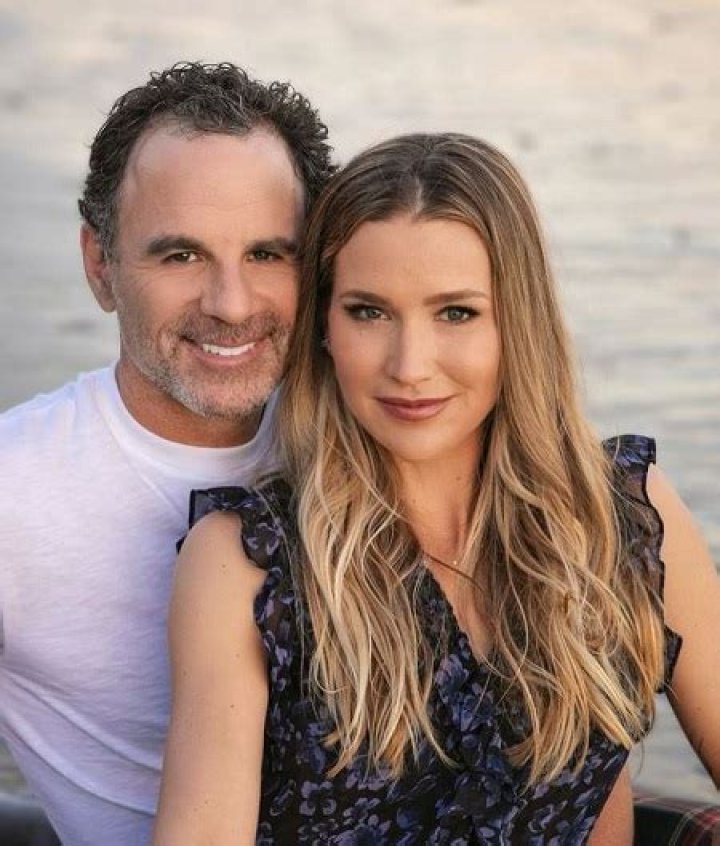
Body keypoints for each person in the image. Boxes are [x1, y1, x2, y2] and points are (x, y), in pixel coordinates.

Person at [153, 133, 720, 845]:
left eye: (456, 312)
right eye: (368, 311)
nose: (410, 366)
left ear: (518, 322)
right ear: (323, 328)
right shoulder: (248, 565)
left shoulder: (624, 519)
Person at [0, 61, 334, 846]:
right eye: (181, 256)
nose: (231, 305)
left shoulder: (379, 438)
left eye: (267, 254)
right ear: (100, 265)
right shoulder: (15, 494)